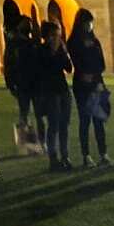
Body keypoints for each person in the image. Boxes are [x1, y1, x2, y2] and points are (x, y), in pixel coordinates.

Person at [69, 9, 111, 166]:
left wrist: (96, 77)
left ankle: (103, 154)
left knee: (98, 120)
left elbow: (102, 63)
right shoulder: (73, 41)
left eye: (91, 22)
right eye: (86, 22)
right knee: (85, 120)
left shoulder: (95, 41)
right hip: (82, 85)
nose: (89, 25)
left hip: (96, 83)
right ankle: (86, 155)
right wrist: (84, 73)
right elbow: (77, 61)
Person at [35, 20, 73, 171]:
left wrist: (62, 52)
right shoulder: (41, 50)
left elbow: (68, 68)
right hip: (50, 92)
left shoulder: (61, 49)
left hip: (63, 90)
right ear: (48, 36)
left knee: (64, 125)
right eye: (54, 34)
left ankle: (65, 156)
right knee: (54, 126)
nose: (57, 37)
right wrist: (53, 52)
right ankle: (53, 158)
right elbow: (43, 70)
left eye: (58, 34)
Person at [4, 18, 45, 152]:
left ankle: (40, 143)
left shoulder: (33, 42)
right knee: (25, 114)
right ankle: (28, 144)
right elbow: (9, 65)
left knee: (37, 114)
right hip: (23, 84)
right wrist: (10, 83)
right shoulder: (15, 44)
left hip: (34, 83)